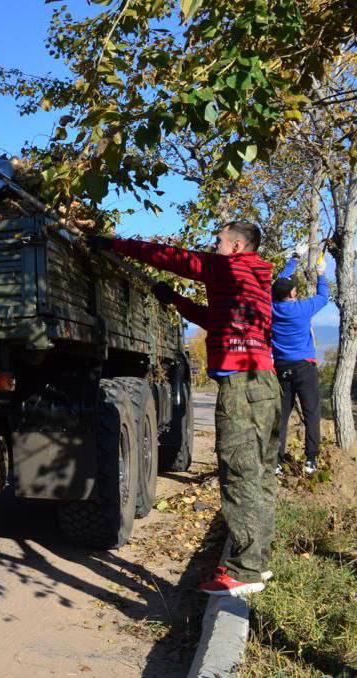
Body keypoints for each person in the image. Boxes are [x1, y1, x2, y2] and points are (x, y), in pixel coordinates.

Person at [90, 221, 280, 597]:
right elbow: (215, 321)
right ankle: (257, 558)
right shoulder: (253, 279)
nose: (214, 246)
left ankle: (245, 572)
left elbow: (171, 258)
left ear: (237, 245)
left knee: (239, 473)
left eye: (219, 241)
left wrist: (112, 243)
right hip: (265, 382)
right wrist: (175, 300)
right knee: (258, 473)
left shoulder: (227, 266)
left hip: (242, 384)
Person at [271, 243, 329, 475]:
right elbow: (324, 296)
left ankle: (275, 461)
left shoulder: (270, 307)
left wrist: (294, 259)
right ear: (293, 294)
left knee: (282, 416)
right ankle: (311, 460)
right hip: (305, 367)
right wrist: (322, 272)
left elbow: (275, 287)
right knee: (312, 412)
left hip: (281, 368)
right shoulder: (303, 308)